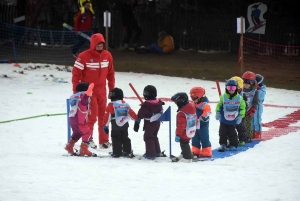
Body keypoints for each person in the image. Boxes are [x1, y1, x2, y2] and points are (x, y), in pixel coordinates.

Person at [72, 33, 115, 149]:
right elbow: (76, 75)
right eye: (97, 45)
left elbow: (111, 74)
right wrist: (76, 92)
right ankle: (88, 139)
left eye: (101, 45)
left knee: (104, 117)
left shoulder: (107, 56)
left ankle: (104, 141)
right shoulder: (83, 56)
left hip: (102, 91)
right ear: (92, 45)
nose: (100, 47)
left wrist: (112, 90)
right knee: (91, 117)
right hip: (89, 92)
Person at [102, 87, 138, 158]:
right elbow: (131, 114)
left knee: (116, 138)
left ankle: (117, 152)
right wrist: (136, 119)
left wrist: (105, 125)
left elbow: (107, 116)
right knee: (125, 138)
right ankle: (127, 151)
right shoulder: (125, 105)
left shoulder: (111, 105)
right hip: (125, 125)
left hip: (115, 126)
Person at [134, 85, 165, 160]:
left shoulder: (146, 105)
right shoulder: (159, 103)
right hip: (157, 123)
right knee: (154, 136)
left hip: (149, 123)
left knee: (148, 137)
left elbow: (140, 114)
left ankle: (150, 154)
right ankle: (157, 152)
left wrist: (137, 122)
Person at [65, 82, 96, 156]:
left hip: (72, 119)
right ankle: (84, 149)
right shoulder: (83, 96)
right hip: (80, 120)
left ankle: (69, 145)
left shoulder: (73, 96)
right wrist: (89, 91)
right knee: (87, 132)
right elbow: (83, 101)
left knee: (77, 133)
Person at [215, 79, 246, 152]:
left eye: (233, 88)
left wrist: (240, 116)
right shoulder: (223, 97)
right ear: (226, 88)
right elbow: (219, 105)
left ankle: (233, 144)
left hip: (233, 118)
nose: (231, 90)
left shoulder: (240, 98)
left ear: (236, 88)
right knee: (222, 132)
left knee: (232, 132)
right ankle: (223, 144)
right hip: (224, 118)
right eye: (229, 88)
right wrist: (218, 112)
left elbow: (242, 107)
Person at [171, 92, 197, 163]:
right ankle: (184, 153)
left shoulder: (182, 113)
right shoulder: (191, 107)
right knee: (186, 142)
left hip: (184, 132)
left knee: (184, 143)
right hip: (191, 130)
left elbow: (181, 125)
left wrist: (178, 134)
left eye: (176, 102)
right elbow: (195, 118)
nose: (176, 104)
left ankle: (187, 158)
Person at [189, 87, 212, 158]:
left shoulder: (205, 105)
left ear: (200, 97)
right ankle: (195, 150)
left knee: (204, 137)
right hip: (194, 124)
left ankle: (206, 151)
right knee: (194, 137)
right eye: (192, 98)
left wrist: (202, 116)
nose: (193, 100)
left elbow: (208, 111)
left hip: (203, 124)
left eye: (194, 98)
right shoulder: (193, 104)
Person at [242, 71, 259, 142]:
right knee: (241, 124)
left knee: (248, 123)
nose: (246, 85)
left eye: (248, 84)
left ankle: (248, 136)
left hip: (249, 110)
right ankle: (242, 136)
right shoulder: (241, 90)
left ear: (252, 83)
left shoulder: (255, 91)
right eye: (244, 83)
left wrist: (253, 109)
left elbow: (255, 102)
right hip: (241, 110)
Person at [231, 76, 248, 146]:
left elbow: (245, 106)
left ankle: (242, 139)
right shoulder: (228, 95)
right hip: (230, 114)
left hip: (239, 115)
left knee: (240, 127)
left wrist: (242, 114)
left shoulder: (242, 95)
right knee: (230, 128)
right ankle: (230, 139)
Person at [252, 74, 266, 139]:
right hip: (251, 105)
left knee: (257, 119)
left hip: (258, 105)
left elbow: (261, 96)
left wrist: (256, 90)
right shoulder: (251, 87)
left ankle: (258, 132)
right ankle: (252, 132)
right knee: (251, 119)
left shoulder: (262, 88)